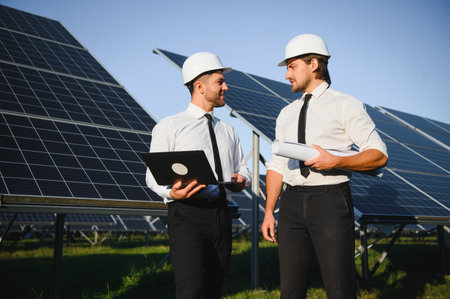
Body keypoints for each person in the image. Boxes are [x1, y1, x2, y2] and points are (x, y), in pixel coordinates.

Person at [261, 34, 388, 299]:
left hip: (330, 202)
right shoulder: (286, 113)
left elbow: (378, 155)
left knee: (339, 288)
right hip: (291, 204)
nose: (287, 75)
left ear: (314, 64)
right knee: (290, 291)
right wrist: (269, 211)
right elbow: (277, 165)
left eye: (292, 66)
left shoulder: (345, 105)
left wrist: (337, 160)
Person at [146, 51, 251, 299]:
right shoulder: (170, 126)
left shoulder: (228, 131)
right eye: (220, 82)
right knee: (191, 290)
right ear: (200, 87)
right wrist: (170, 192)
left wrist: (242, 180)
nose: (226, 87)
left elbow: (242, 168)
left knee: (215, 288)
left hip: (221, 215)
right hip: (186, 213)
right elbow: (152, 176)